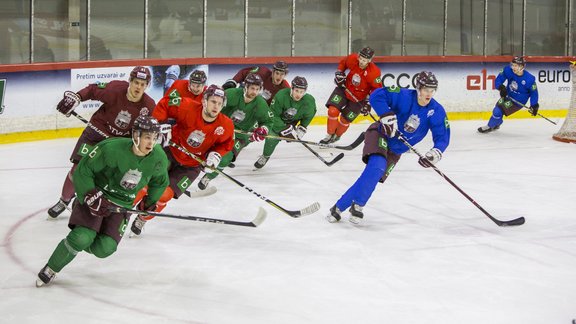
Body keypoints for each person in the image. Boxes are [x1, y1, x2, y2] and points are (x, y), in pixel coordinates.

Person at [36, 116, 169, 287]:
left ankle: (86, 240)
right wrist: (90, 194)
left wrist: (149, 203)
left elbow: (160, 182)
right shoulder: (111, 148)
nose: (151, 143)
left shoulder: (158, 157)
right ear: (136, 135)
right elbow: (83, 170)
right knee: (82, 238)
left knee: (105, 249)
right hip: (98, 196)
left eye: (154, 137)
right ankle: (52, 267)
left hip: (123, 205)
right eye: (147, 137)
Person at [327, 71, 450, 225]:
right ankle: (357, 205)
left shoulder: (436, 110)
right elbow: (377, 95)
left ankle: (338, 207)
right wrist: (387, 116)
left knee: (372, 176)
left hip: (397, 150)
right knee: (376, 167)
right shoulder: (404, 96)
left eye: (432, 90)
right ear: (418, 88)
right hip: (380, 134)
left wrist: (435, 152)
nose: (429, 94)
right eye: (426, 90)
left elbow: (442, 136)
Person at [47, 66, 156, 219]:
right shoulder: (115, 89)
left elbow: (149, 129)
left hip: (117, 144)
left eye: (143, 84)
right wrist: (76, 98)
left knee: (105, 177)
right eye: (136, 82)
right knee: (77, 170)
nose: (138, 87)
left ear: (147, 86)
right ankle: (64, 200)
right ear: (130, 81)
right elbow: (92, 90)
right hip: (95, 134)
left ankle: (88, 202)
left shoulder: (149, 105)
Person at [130, 85, 234, 235]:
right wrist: (158, 126)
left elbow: (226, 144)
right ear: (204, 101)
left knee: (165, 195)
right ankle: (124, 206)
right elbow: (165, 103)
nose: (216, 106)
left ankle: (142, 217)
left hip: (192, 166)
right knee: (146, 180)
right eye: (213, 101)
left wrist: (215, 155)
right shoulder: (187, 106)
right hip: (171, 152)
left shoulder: (226, 125)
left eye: (219, 103)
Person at [198, 73, 274, 190]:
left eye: (257, 89)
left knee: (226, 157)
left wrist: (263, 130)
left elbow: (268, 121)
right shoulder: (232, 94)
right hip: (221, 130)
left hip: (240, 136)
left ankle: (209, 176)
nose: (254, 92)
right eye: (252, 88)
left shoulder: (260, 104)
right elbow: (213, 106)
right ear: (246, 86)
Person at [321, 46, 382, 144]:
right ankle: (329, 135)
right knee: (332, 111)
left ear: (369, 60)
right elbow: (343, 63)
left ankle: (336, 136)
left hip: (359, 99)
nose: (361, 62)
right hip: (344, 89)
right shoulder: (353, 59)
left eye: (364, 60)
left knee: (345, 120)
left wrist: (368, 103)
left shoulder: (374, 73)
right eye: (360, 58)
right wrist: (339, 74)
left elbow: (377, 90)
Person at [253, 76, 317, 169]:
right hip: (277, 122)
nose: (298, 94)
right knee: (271, 138)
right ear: (292, 88)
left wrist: (302, 127)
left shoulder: (309, 101)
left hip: (293, 124)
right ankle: (265, 156)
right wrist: (284, 129)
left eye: (301, 92)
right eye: (296, 91)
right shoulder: (281, 95)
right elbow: (273, 115)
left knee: (289, 134)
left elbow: (309, 114)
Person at [478, 56, 539, 133]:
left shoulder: (529, 79)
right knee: (497, 110)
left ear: (522, 67)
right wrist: (501, 87)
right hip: (508, 96)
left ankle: (490, 126)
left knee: (497, 111)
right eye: (512, 65)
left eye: (515, 66)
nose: (513, 67)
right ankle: (497, 123)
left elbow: (534, 93)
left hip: (517, 102)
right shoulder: (508, 70)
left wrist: (534, 105)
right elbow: (498, 80)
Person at [222, 61, 290, 105]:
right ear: (272, 72)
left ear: (285, 75)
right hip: (245, 97)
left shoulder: (285, 88)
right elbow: (243, 72)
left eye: (282, 74)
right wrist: (233, 81)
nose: (279, 77)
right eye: (277, 73)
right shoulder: (262, 72)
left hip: (259, 107)